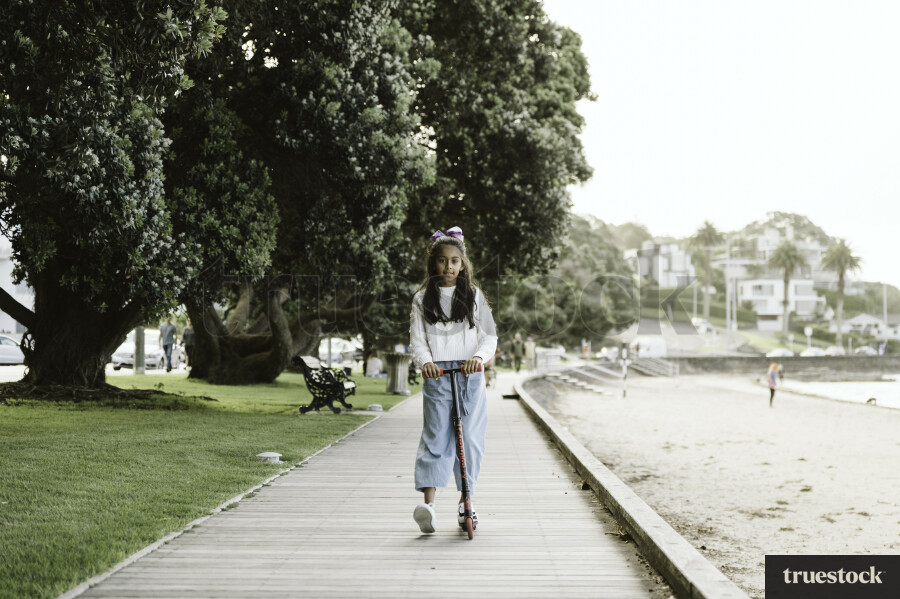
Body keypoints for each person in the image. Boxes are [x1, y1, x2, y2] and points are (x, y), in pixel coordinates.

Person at [409, 226, 497, 534]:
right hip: (438, 373)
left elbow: (489, 336)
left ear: (463, 264)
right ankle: (428, 505)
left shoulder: (474, 296)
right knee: (435, 435)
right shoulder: (422, 298)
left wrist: (478, 358)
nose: (449, 266)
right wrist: (427, 362)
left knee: (469, 437)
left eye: (455, 261)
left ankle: (466, 499)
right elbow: (417, 340)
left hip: (469, 372)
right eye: (443, 261)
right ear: (433, 264)